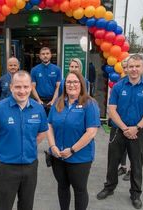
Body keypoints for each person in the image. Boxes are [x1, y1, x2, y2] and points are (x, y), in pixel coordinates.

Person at [96, 54, 143, 209]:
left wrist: (136, 128)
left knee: (137, 163)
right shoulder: (118, 87)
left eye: (137, 66)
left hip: (138, 131)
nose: (134, 69)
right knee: (113, 161)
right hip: (118, 130)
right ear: (126, 68)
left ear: (142, 68)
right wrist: (124, 128)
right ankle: (109, 187)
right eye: (131, 66)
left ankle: (135, 194)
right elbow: (112, 109)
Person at [0, 70, 48, 210]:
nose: (22, 91)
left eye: (25, 87)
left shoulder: (38, 109)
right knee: (5, 205)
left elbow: (42, 132)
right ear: (11, 87)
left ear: (31, 87)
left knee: (27, 205)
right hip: (7, 167)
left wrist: (28, 145)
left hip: (30, 166)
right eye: (18, 87)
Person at [47, 70, 100, 210]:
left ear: (81, 84)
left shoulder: (90, 104)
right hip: (58, 156)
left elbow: (91, 132)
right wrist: (52, 146)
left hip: (79, 158)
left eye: (75, 82)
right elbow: (49, 125)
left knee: (80, 190)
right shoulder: (58, 103)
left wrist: (72, 150)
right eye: (69, 82)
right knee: (62, 187)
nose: (72, 85)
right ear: (64, 85)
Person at [31, 47, 61, 115]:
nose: (45, 55)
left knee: (52, 122)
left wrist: (53, 101)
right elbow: (32, 87)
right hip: (39, 100)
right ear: (40, 56)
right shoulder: (34, 70)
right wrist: (38, 100)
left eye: (47, 53)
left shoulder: (57, 69)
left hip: (54, 100)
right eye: (43, 54)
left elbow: (58, 87)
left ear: (51, 55)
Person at [118, 58, 131, 181]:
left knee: (135, 152)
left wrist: (137, 127)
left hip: (136, 127)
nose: (126, 70)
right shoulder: (120, 83)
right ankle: (123, 167)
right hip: (121, 123)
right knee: (122, 148)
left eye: (128, 66)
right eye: (124, 67)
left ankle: (132, 171)